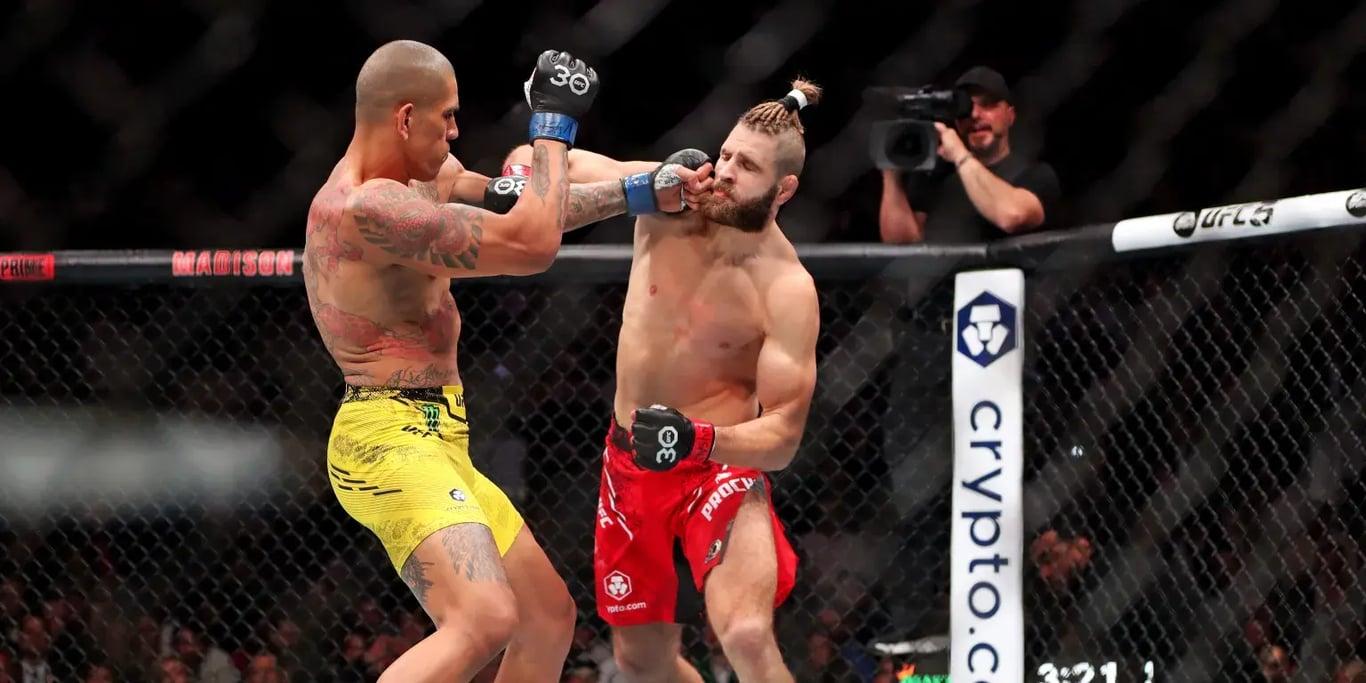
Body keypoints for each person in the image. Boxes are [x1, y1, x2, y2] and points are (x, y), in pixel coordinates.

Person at [303, 40, 612, 683]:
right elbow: (530, 245)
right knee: (484, 617)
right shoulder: (367, 208)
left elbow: (518, 206)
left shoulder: (420, 183)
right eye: (446, 115)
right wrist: (552, 126)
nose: (455, 129)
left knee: (547, 617)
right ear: (405, 116)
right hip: (388, 436)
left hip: (440, 437)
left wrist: (645, 190)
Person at [499, 78, 823, 683]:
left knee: (747, 635)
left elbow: (782, 437)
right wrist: (622, 181)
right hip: (630, 468)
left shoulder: (786, 288)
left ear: (784, 189)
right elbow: (530, 163)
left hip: (717, 469)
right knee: (641, 663)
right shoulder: (667, 194)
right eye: (725, 153)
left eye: (746, 166)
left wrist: (697, 440)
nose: (724, 172)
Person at [878, 65, 1061, 243]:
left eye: (988, 105)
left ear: (1010, 116)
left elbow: (1013, 216)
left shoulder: (1036, 175)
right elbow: (902, 243)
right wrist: (891, 174)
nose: (975, 115)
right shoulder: (936, 175)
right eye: (965, 107)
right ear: (957, 122)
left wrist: (960, 156)